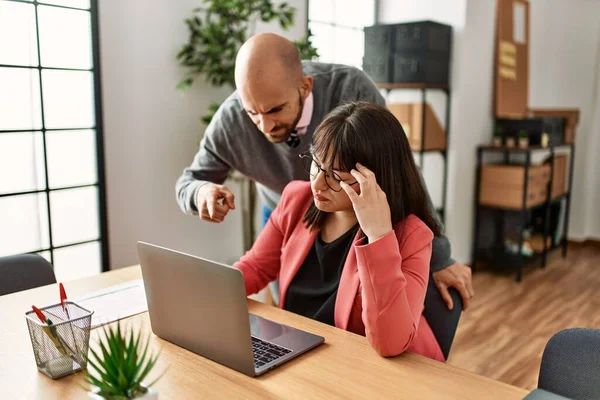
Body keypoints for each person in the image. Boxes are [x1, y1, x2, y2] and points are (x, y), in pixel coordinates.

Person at [175, 33, 474, 310]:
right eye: (252, 113)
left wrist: (440, 257)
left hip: (353, 219)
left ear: (306, 86)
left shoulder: (350, 88)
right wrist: (202, 193)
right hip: (284, 214)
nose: (264, 127)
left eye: (275, 110)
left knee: (348, 314)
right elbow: (190, 181)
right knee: (294, 309)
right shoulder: (231, 120)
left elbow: (401, 172)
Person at [234, 101, 444, 360]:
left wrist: (378, 236)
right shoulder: (296, 199)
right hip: (297, 354)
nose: (318, 184)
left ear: (377, 179)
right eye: (317, 165)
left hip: (370, 372)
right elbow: (256, 267)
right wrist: (207, 289)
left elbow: (390, 343)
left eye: (337, 177)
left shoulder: (411, 236)